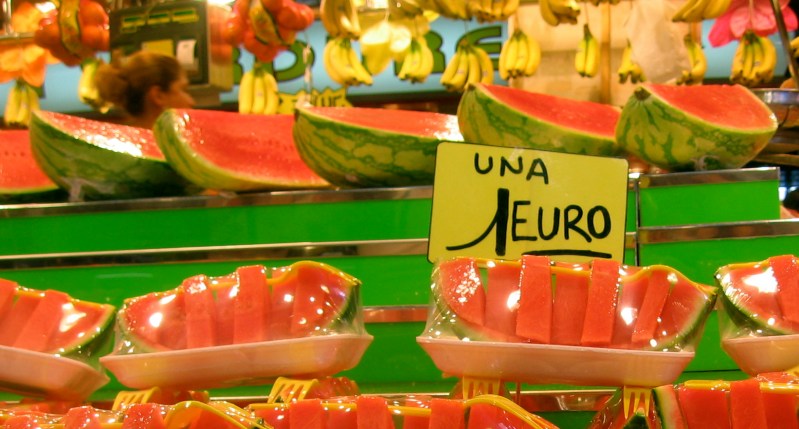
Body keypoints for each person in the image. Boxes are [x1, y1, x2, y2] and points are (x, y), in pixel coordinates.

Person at [94, 50, 195, 129]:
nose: (191, 102)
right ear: (158, 95)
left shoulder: (121, 147)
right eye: (183, 90)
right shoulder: (169, 152)